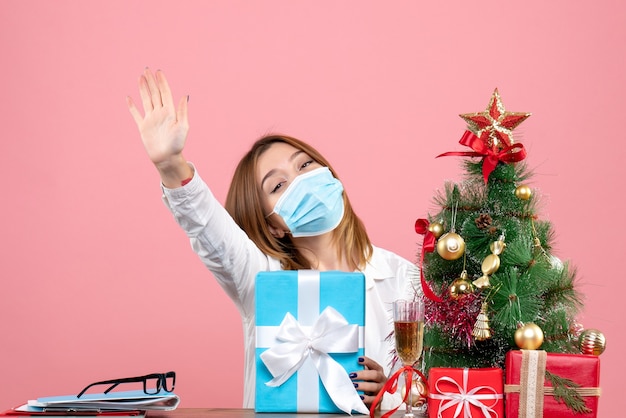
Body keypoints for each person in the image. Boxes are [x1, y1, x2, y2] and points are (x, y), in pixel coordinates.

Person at [126, 68, 420, 411]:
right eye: (278, 186)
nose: (301, 182)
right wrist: (171, 165)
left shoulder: (406, 280)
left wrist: (391, 398)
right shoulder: (262, 280)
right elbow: (210, 231)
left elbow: (435, 396)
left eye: (306, 165)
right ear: (273, 226)